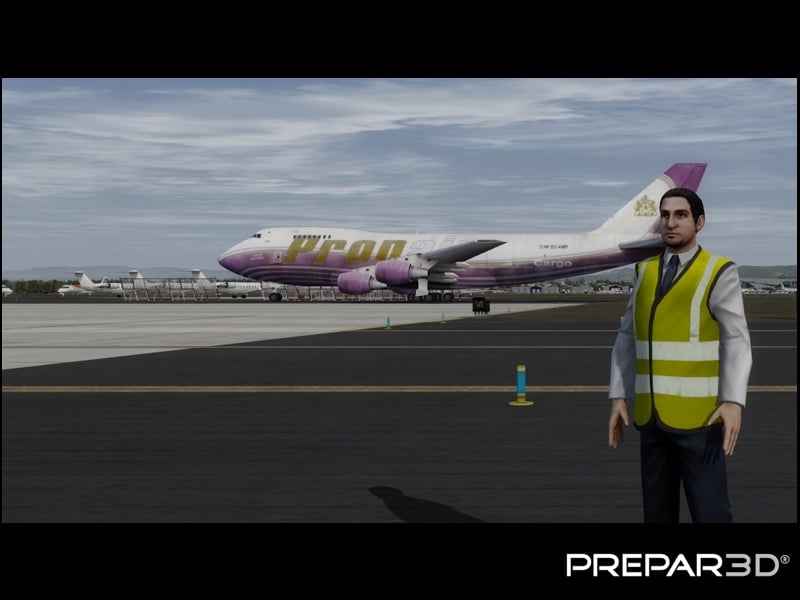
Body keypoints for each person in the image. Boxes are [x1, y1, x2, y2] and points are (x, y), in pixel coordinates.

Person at [607, 187, 752, 523]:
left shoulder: (718, 270)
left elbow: (736, 340)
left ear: (699, 222)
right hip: (650, 419)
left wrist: (733, 400)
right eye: (665, 215)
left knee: (711, 513)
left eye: (681, 215)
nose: (670, 223)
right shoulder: (644, 271)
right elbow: (627, 335)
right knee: (656, 514)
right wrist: (618, 395)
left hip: (699, 420)